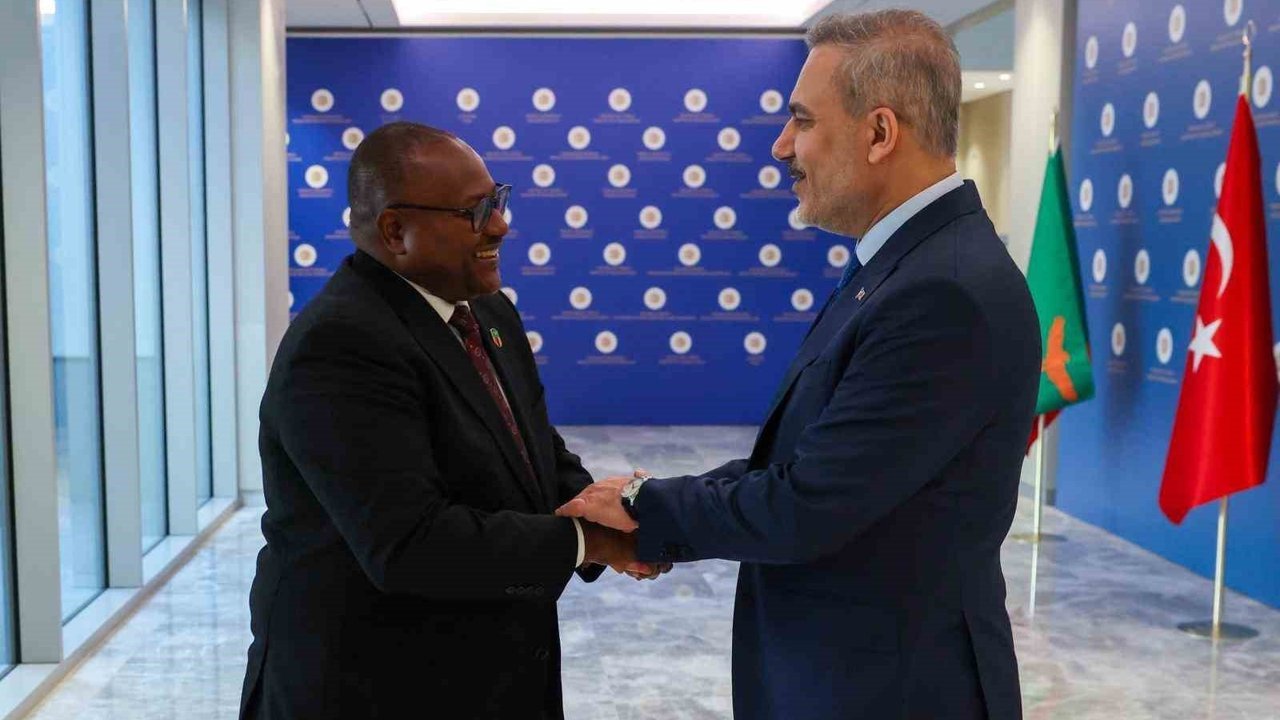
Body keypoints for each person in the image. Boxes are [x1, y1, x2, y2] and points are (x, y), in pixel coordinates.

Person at [557, 10, 1040, 720]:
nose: (782, 145)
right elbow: (811, 460)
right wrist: (651, 501)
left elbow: (811, 504)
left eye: (803, 121)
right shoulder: (906, 266)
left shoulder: (944, 292)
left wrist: (644, 506)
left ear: (880, 133)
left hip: (894, 690)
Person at [240, 122, 655, 720]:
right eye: (475, 211)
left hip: (490, 673)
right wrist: (591, 540)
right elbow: (409, 544)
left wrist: (610, 508)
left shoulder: (487, 312)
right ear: (395, 230)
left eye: (498, 200)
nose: (500, 226)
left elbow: (533, 450)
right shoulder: (340, 344)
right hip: (372, 688)